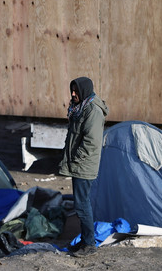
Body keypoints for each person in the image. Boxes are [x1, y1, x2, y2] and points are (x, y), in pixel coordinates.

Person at [58, 77, 108, 257]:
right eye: (72, 90)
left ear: (84, 91)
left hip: (84, 165)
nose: (73, 94)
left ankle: (89, 244)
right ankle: (85, 240)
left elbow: (91, 142)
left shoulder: (93, 110)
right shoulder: (81, 108)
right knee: (81, 203)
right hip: (79, 164)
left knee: (81, 205)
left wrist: (75, 159)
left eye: (76, 91)